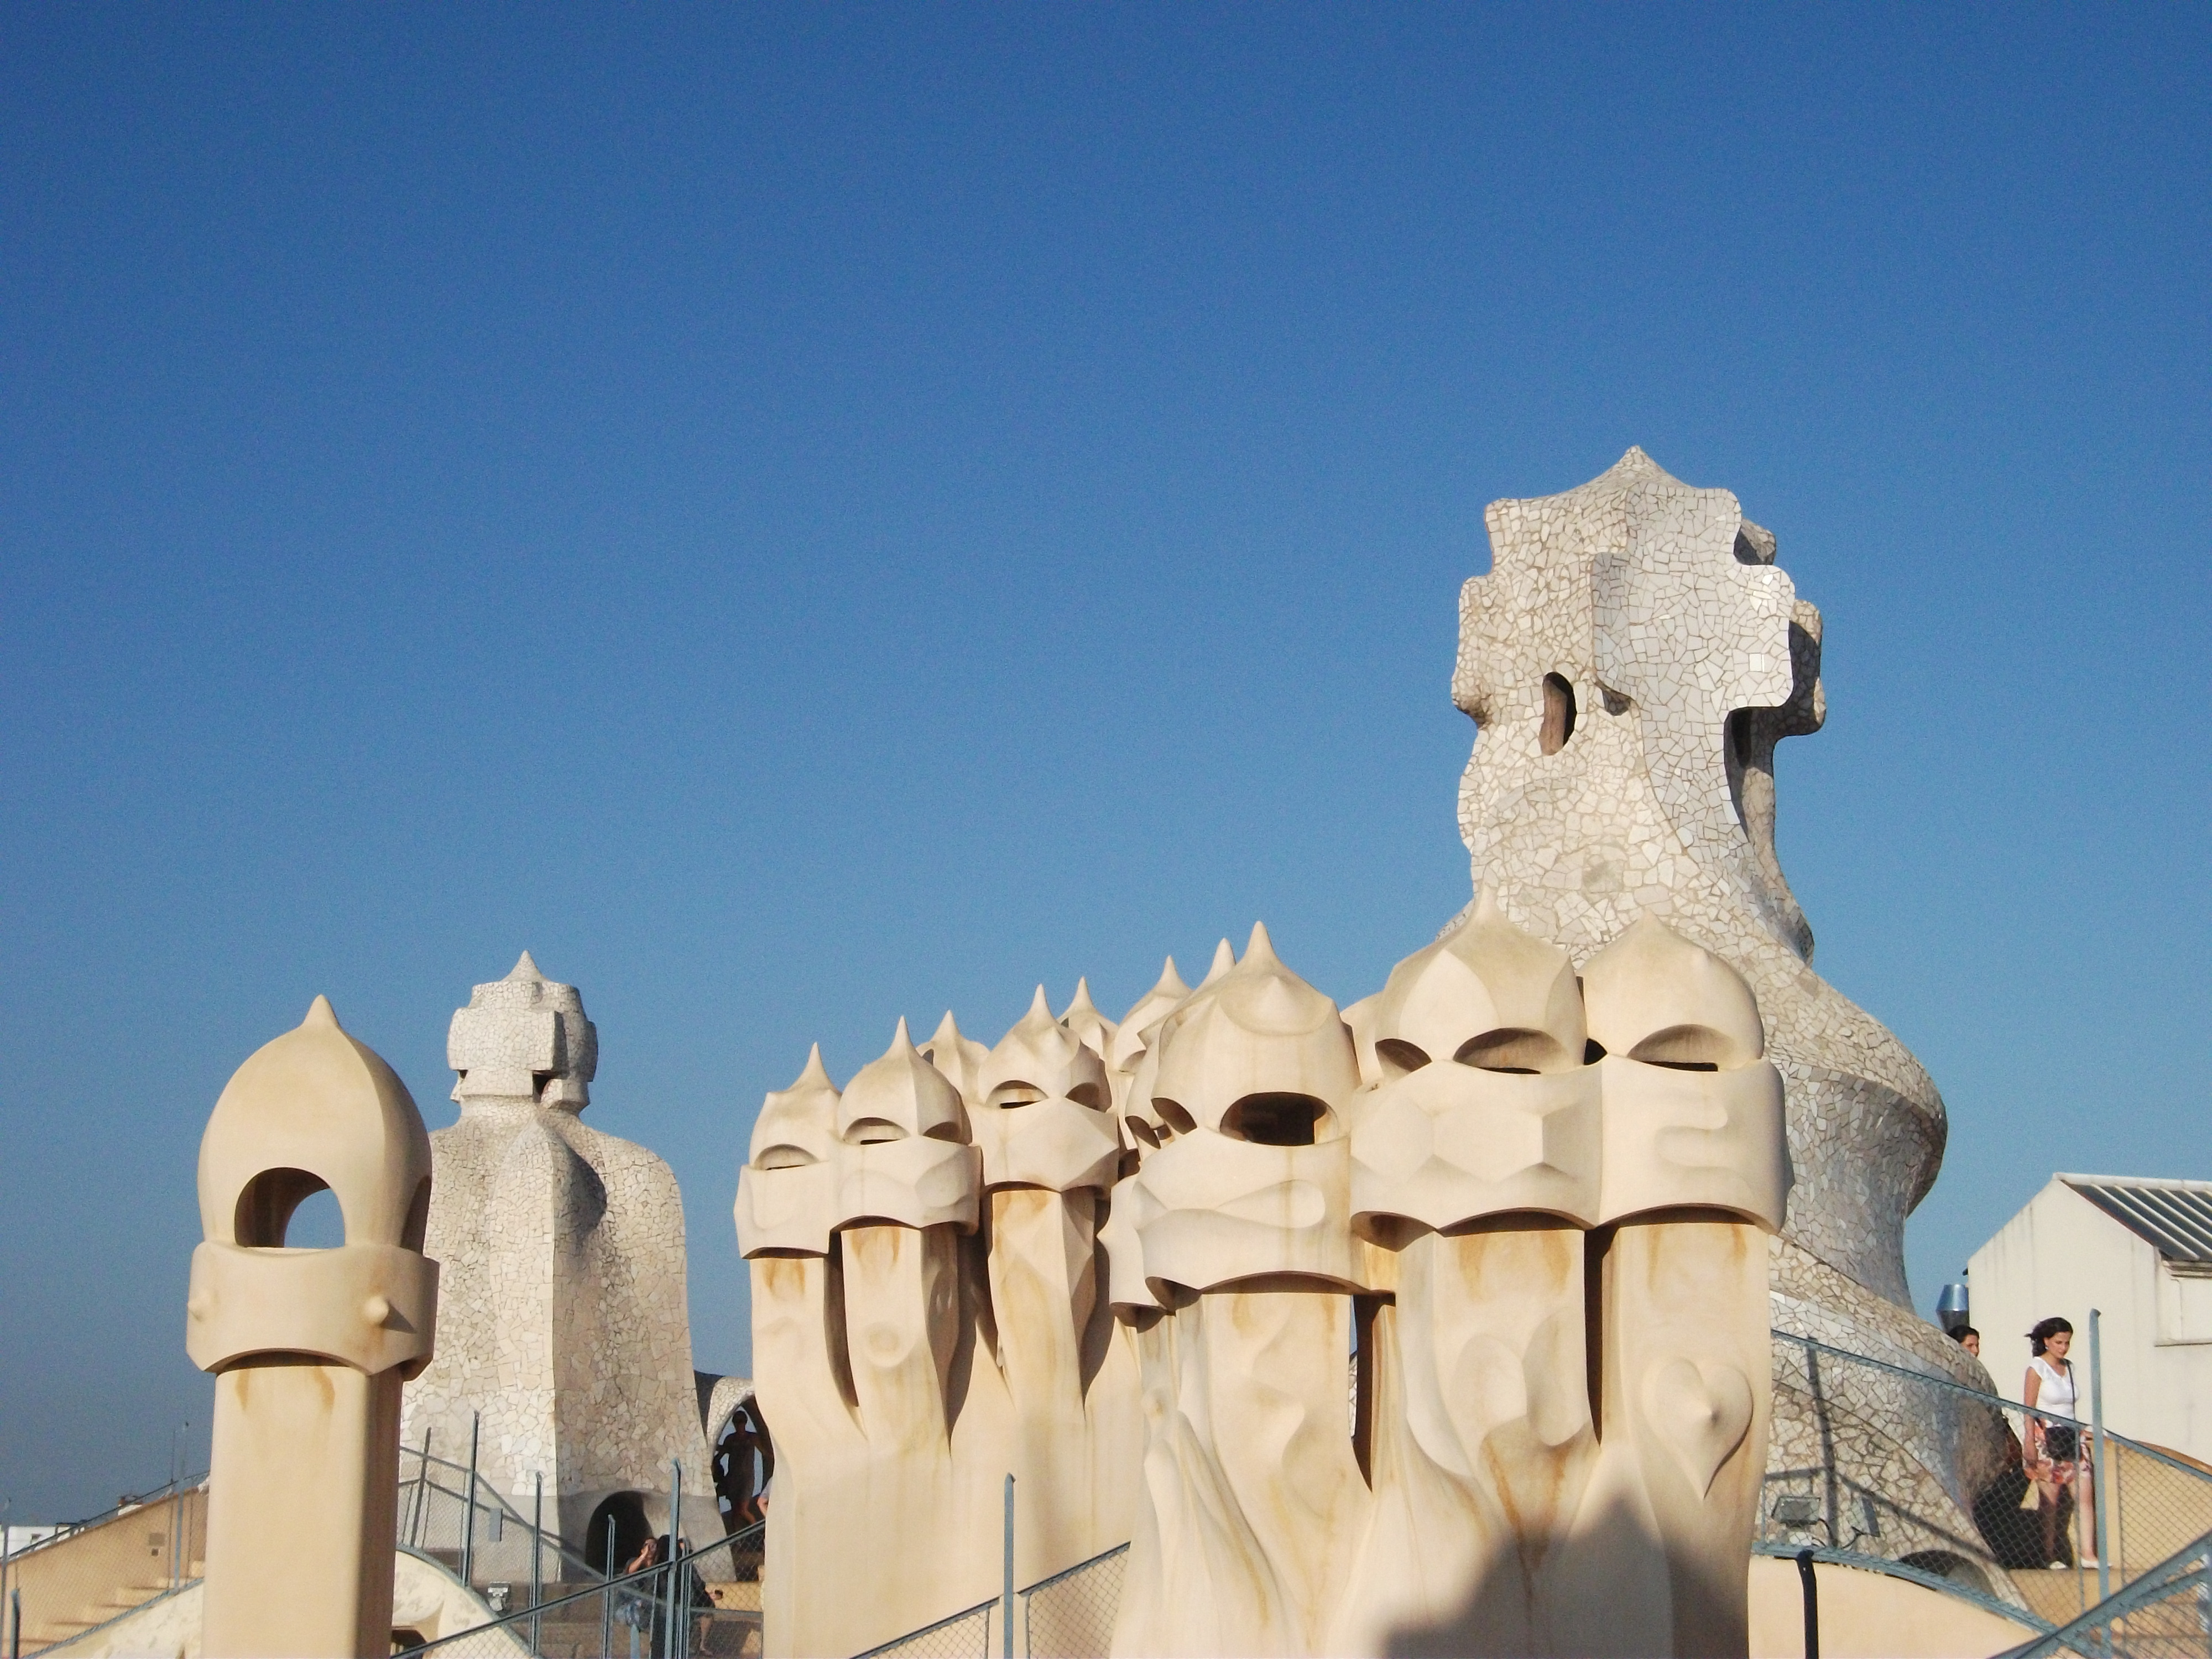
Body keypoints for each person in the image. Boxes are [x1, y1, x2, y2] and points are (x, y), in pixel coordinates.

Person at [2023, 1316, 2098, 1569]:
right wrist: (2029, 1441)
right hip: (2046, 1437)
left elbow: (2070, 1406)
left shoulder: (2070, 1368)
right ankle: (2049, 1554)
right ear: (2047, 1341)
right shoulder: (2037, 1368)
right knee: (2050, 1502)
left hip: (2073, 1437)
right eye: (2058, 1342)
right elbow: (2028, 1408)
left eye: (2067, 1343)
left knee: (2085, 1496)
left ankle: (2088, 1554)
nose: (2063, 1348)